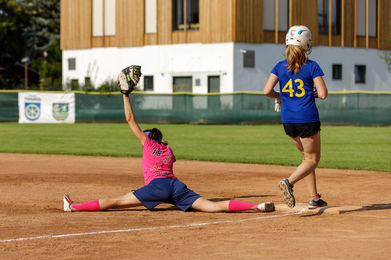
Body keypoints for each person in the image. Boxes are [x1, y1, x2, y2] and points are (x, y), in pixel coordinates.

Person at [63, 65, 274, 213]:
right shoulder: (168, 150)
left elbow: (129, 119)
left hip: (158, 187)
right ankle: (256, 207)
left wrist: (125, 94)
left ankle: (72, 207)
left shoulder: (147, 143)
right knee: (211, 206)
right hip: (176, 187)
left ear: (148, 137)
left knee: (116, 202)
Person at [263, 25, 328, 209]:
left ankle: (314, 198)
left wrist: (279, 95)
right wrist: (312, 93)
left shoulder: (279, 66)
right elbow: (323, 94)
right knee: (312, 160)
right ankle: (289, 182)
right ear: (306, 44)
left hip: (288, 121)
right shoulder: (312, 66)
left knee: (305, 159)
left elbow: (267, 91)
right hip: (307, 118)